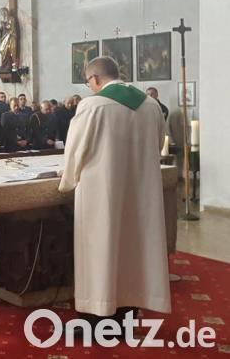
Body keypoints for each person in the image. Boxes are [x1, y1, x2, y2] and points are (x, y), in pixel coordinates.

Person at [59, 56, 170, 329]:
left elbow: (74, 151)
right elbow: (158, 145)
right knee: (133, 251)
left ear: (94, 79)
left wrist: (67, 179)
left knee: (100, 250)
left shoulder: (93, 105)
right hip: (140, 192)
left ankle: (97, 319)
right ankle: (126, 316)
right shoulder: (151, 105)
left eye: (88, 82)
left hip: (101, 194)